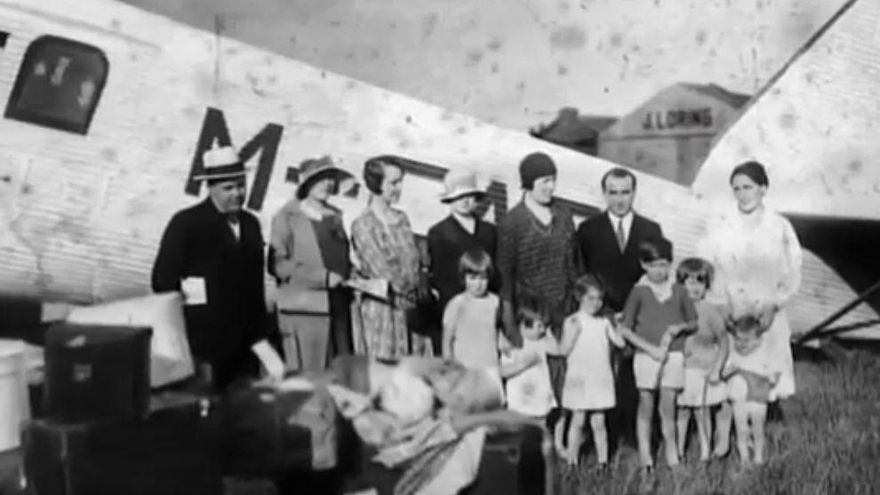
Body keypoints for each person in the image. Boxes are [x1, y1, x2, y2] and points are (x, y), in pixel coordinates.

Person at [697, 160, 803, 457]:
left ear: (763, 189)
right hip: (732, 312)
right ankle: (724, 437)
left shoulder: (779, 226)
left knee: (765, 372)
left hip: (767, 313)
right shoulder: (721, 224)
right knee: (732, 374)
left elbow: (793, 269)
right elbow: (707, 265)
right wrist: (722, 303)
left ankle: (760, 433)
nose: (743, 194)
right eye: (737, 189)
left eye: (748, 187)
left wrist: (775, 303)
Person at [151, 145, 276, 391]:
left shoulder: (251, 224)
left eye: (241, 185)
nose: (238, 193)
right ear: (210, 188)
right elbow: (162, 281)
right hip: (204, 345)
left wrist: (262, 339)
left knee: (244, 412)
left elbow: (255, 286)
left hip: (246, 346)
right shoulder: (187, 224)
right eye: (228, 188)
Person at [574, 166, 666, 451]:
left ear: (634, 193)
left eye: (625, 192)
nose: (619, 199)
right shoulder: (588, 230)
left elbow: (657, 275)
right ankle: (604, 437)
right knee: (602, 375)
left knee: (639, 378)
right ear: (604, 194)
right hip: (603, 315)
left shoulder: (650, 229)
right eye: (613, 193)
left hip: (640, 317)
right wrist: (602, 312)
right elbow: (583, 276)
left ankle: (640, 437)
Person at [496, 152, 579, 453]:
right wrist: (508, 324)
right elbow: (505, 276)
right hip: (530, 314)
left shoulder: (565, 214)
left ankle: (560, 439)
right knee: (533, 378)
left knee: (563, 375)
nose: (550, 187)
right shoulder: (513, 222)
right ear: (529, 183)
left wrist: (577, 306)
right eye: (544, 181)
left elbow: (574, 264)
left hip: (563, 305)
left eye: (553, 180)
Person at [616, 239, 697, 474]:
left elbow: (693, 321)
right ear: (644, 265)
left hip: (673, 356)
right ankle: (645, 455)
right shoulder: (639, 291)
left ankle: (672, 456)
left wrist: (678, 328)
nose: (660, 271)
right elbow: (625, 329)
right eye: (654, 265)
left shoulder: (679, 291)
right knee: (645, 404)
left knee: (668, 407)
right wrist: (650, 349)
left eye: (664, 265)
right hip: (646, 356)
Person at [269, 156, 353, 373]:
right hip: (306, 311)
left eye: (331, 178)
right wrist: (322, 277)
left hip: (338, 309)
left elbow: (340, 257)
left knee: (339, 376)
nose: (327, 183)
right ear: (306, 184)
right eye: (321, 178)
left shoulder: (334, 216)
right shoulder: (287, 216)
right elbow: (279, 265)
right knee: (309, 378)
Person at [350, 155, 433, 359]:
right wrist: (408, 287)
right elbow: (380, 268)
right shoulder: (362, 224)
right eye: (392, 183)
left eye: (400, 182)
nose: (398, 189)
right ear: (376, 183)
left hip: (411, 312)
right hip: (383, 312)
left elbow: (414, 261)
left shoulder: (402, 219)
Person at [558, 275, 625, 470]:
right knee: (578, 420)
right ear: (579, 297)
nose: (596, 304)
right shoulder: (572, 321)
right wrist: (573, 333)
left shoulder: (603, 322)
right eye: (591, 298)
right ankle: (572, 460)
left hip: (600, 377)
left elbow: (620, 342)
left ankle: (603, 462)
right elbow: (563, 350)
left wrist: (617, 324)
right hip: (580, 377)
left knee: (599, 421)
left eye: (600, 299)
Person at [428, 170, 497, 353]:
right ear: (450, 200)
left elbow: (495, 272)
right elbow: (442, 278)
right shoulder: (439, 232)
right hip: (457, 308)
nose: (466, 201)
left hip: (485, 307)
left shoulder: (489, 231)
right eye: (459, 197)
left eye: (470, 196)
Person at [674, 258, 729, 463]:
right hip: (682, 367)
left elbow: (723, 340)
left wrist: (717, 368)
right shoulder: (675, 309)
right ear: (681, 284)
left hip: (704, 368)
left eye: (700, 282)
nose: (694, 287)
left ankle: (706, 450)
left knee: (701, 410)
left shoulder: (709, 310)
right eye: (689, 282)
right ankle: (678, 450)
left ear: (707, 285)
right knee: (681, 410)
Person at [721, 314, 783, 467]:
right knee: (741, 429)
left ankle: (758, 457)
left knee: (758, 428)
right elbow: (723, 374)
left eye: (746, 341)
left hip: (757, 398)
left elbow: (775, 372)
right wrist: (730, 370)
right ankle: (744, 458)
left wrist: (772, 378)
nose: (741, 345)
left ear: (758, 340)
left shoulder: (763, 356)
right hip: (739, 399)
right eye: (737, 340)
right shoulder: (734, 356)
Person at [442, 249, 501, 377]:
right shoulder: (457, 304)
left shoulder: (495, 303)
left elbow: (500, 336)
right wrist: (451, 368)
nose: (478, 284)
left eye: (483, 278)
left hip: (490, 369)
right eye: (472, 278)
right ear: (464, 277)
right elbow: (447, 342)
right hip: (463, 370)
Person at [499, 298, 556, 421]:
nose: (543, 330)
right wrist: (523, 364)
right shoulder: (513, 345)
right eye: (539, 326)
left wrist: (550, 335)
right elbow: (503, 371)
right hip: (520, 402)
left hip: (540, 400)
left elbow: (559, 350)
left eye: (545, 326)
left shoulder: (543, 342)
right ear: (524, 324)